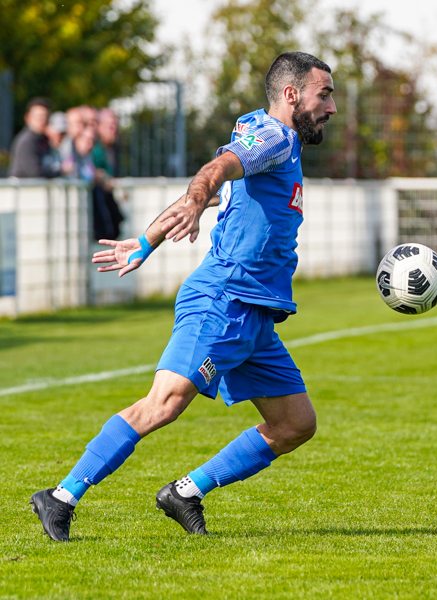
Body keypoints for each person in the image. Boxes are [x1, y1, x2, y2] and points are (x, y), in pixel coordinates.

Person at [29, 52, 335, 542]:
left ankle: (185, 492)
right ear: (291, 95)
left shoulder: (272, 140)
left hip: (253, 316)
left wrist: (147, 241)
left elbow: (218, 187)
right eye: (325, 94)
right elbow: (213, 174)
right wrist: (193, 202)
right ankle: (60, 497)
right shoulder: (275, 138)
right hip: (224, 301)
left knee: (295, 423)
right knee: (164, 403)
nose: (332, 107)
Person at [91, 109, 124, 240]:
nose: (113, 129)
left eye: (115, 125)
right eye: (109, 126)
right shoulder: (95, 148)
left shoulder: (112, 147)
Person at [8, 98, 53, 178]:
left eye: (45, 117)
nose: (42, 120)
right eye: (39, 117)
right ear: (28, 117)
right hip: (23, 189)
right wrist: (58, 172)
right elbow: (34, 172)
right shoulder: (26, 141)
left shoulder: (44, 140)